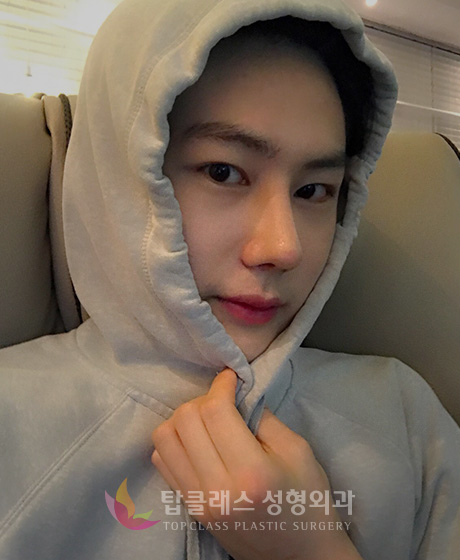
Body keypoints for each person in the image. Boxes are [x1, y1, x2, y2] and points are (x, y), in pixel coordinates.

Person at [0, 1, 458, 560]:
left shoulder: (405, 419)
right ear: (119, 179)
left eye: (314, 190)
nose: (283, 248)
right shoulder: (11, 418)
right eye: (223, 172)